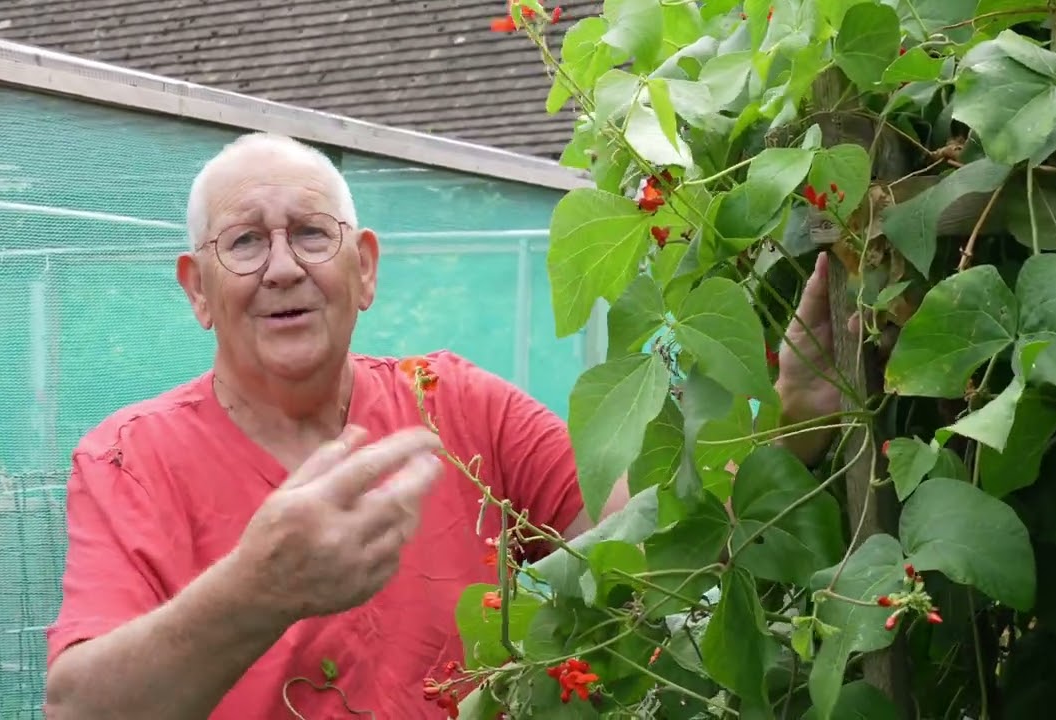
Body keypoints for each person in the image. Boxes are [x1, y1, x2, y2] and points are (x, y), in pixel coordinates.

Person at [42, 133, 841, 719]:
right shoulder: (129, 458)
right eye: (245, 241)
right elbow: (80, 708)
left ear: (365, 269)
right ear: (197, 290)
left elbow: (646, 530)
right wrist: (259, 589)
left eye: (312, 234)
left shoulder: (458, 404)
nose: (283, 267)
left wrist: (795, 427)